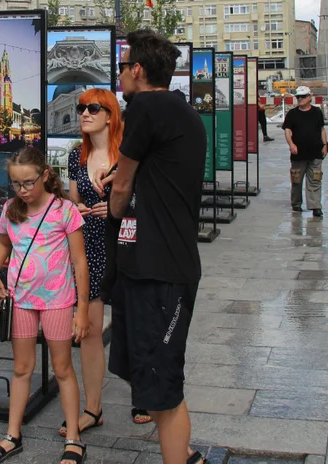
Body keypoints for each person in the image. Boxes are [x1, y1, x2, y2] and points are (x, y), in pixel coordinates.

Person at [107, 29, 206, 464]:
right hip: (159, 263)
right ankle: (182, 453)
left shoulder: (146, 105)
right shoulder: (179, 109)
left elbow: (123, 182)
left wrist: (113, 204)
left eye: (123, 68)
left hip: (159, 269)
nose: (121, 76)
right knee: (155, 379)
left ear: (139, 71)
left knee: (163, 390)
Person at [0, 147, 89, 464]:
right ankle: (12, 434)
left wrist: (82, 309)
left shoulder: (64, 211)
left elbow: (80, 262)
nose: (24, 190)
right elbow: (3, 245)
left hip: (58, 300)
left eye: (29, 182)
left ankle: (74, 438)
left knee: (63, 369)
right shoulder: (11, 210)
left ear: (45, 175)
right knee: (21, 368)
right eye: (17, 184)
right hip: (22, 300)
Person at [59, 89, 151, 434]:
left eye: (92, 108)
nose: (83, 113)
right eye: (81, 108)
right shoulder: (75, 157)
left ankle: (143, 396)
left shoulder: (129, 153)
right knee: (91, 330)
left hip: (127, 244)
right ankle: (92, 409)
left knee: (136, 325)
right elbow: (72, 201)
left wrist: (118, 207)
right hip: (91, 247)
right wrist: (79, 210)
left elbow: (147, 197)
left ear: (110, 115)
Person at [282, 86, 328, 218]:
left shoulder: (317, 112)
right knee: (297, 180)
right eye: (298, 97)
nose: (300, 99)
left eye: (303, 97)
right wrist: (291, 144)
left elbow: (322, 129)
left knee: (315, 179)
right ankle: (296, 203)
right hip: (298, 154)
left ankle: (315, 207)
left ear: (309, 97)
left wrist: (324, 145)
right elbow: (287, 130)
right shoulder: (292, 114)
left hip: (315, 152)